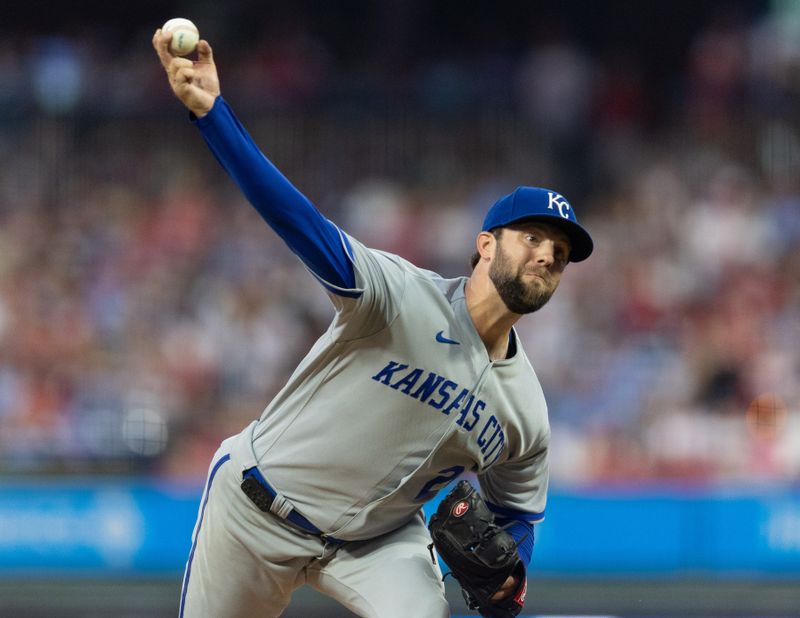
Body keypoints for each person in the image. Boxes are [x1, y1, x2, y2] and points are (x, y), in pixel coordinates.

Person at [152, 27, 593, 618]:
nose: (546, 255)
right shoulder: (399, 295)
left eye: (559, 254)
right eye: (533, 238)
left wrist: (509, 576)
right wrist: (213, 115)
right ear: (485, 245)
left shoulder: (527, 413)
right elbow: (298, 220)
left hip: (378, 544)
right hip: (258, 507)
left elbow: (518, 517)